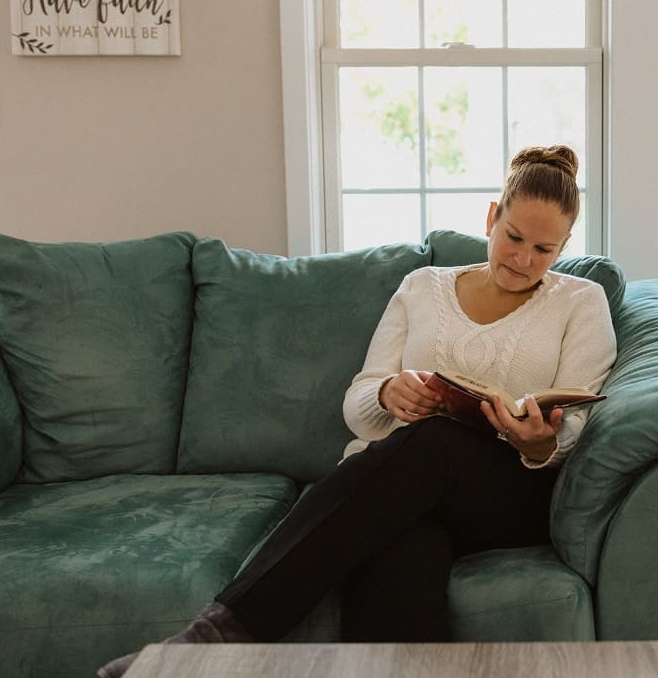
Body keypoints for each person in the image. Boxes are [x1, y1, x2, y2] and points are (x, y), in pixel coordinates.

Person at [97, 144, 617, 677]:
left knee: (436, 441)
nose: (523, 259)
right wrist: (390, 394)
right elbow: (361, 400)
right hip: (407, 485)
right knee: (402, 545)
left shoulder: (582, 301)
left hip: (507, 493)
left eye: (544, 249)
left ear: (564, 247)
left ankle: (214, 639)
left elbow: (577, 420)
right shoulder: (423, 287)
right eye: (513, 237)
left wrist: (540, 441)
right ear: (491, 217)